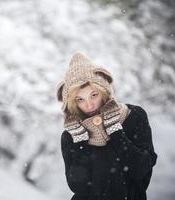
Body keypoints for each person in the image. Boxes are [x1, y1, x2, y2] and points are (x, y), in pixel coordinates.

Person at [56, 53, 157, 200]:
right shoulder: (71, 135)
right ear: (73, 103)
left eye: (94, 95)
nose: (89, 105)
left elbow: (140, 169)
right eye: (80, 99)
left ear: (104, 91)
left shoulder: (133, 116)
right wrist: (81, 141)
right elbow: (78, 186)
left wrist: (115, 131)